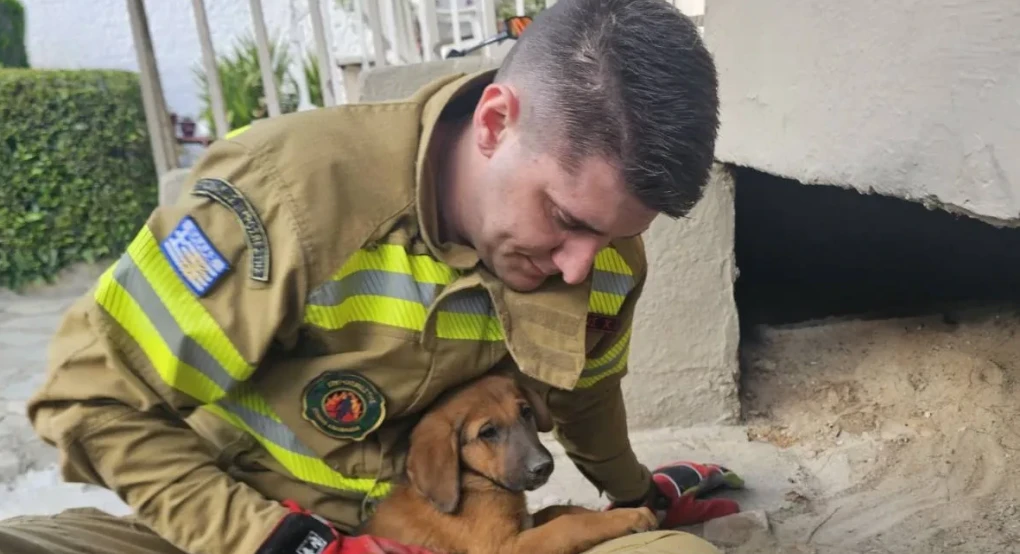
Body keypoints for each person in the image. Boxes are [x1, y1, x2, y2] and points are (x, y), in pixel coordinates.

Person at [0, 0, 743, 552]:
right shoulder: (287, 195)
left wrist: (636, 492)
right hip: (247, 532)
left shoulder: (608, 259)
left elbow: (589, 395)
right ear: (494, 124)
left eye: (614, 233)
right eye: (567, 218)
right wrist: (283, 543)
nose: (582, 265)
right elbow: (91, 400)